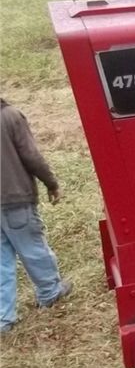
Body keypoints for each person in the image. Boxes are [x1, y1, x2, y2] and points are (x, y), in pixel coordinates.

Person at [1, 98, 71, 332]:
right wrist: (51, 183)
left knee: (1, 261)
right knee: (32, 247)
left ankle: (4, 318)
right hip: (14, 198)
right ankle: (50, 291)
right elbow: (31, 156)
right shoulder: (10, 116)